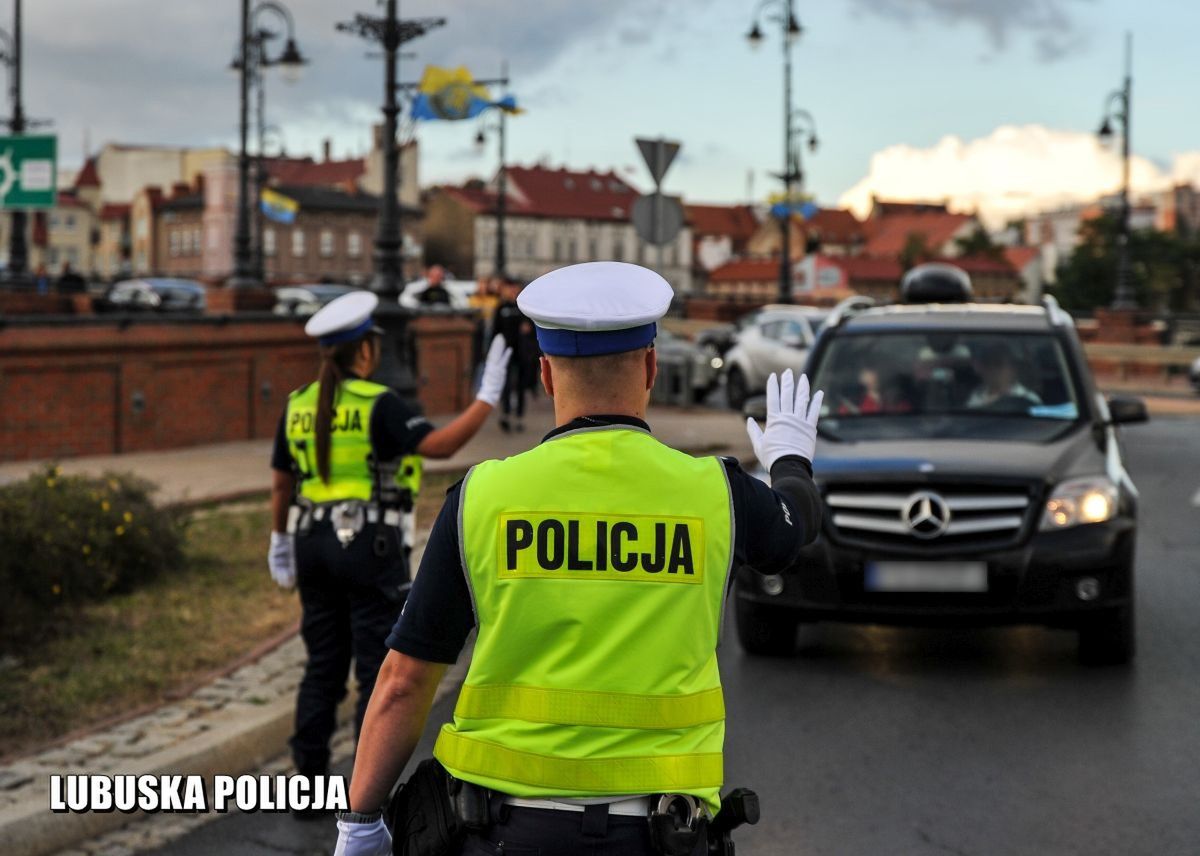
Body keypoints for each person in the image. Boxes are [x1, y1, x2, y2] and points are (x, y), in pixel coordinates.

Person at [332, 262, 825, 856]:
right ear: (650, 366)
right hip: (661, 836)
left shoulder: (483, 496)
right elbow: (793, 535)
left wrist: (360, 823)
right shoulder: (716, 492)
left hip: (499, 833)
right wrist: (790, 461)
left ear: (544, 373)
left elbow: (404, 680)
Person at [267, 290, 512, 817]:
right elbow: (442, 447)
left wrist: (279, 540)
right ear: (366, 351)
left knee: (322, 668)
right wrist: (485, 398)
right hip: (368, 549)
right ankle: (361, 795)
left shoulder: (297, 403)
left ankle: (306, 788)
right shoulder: (379, 405)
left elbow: (281, 485)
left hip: (309, 544)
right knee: (373, 668)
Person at [492, 277, 537, 432]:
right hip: (506, 351)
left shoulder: (524, 308)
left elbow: (533, 330)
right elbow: (495, 331)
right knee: (506, 384)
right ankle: (505, 414)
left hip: (523, 352)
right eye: (509, 288)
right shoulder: (501, 307)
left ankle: (519, 416)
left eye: (514, 288)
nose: (512, 291)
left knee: (520, 385)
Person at [967, 341, 1041, 409]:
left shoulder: (1029, 398)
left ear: (1012, 369)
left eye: (998, 364)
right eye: (988, 364)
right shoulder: (976, 396)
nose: (993, 370)